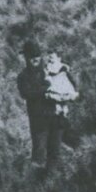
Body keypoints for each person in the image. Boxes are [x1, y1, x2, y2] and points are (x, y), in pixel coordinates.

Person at [16, 39, 75, 174]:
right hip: (39, 121)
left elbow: (68, 85)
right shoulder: (23, 77)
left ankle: (49, 185)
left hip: (56, 118)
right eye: (31, 56)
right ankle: (33, 185)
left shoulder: (50, 69)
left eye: (37, 55)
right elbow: (27, 94)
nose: (35, 59)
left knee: (54, 153)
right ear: (26, 58)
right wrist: (46, 86)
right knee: (39, 154)